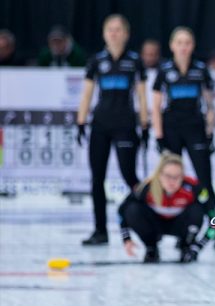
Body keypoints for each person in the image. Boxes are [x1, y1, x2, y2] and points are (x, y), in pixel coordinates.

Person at [77, 14, 148, 245]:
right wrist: (80, 122)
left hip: (126, 126)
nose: (114, 33)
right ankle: (100, 231)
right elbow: (87, 93)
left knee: (130, 176)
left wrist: (144, 124)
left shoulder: (135, 61)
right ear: (104, 34)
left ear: (126, 34)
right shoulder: (96, 61)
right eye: (110, 29)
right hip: (100, 125)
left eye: (119, 29)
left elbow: (142, 95)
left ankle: (148, 223)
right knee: (97, 178)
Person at [152, 27, 215, 218]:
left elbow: (210, 105)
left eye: (187, 43)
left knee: (204, 179)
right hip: (171, 129)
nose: (183, 47)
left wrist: (209, 134)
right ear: (172, 45)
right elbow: (155, 107)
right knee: (172, 179)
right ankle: (177, 222)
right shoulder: (164, 70)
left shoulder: (201, 70)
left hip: (195, 128)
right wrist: (158, 137)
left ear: (192, 46)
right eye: (179, 43)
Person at [119, 152, 210, 263]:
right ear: (159, 175)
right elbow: (122, 210)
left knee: (197, 210)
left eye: (177, 177)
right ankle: (151, 247)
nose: (172, 181)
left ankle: (186, 247)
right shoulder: (146, 187)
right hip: (155, 226)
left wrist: (197, 247)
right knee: (133, 209)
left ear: (183, 176)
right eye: (168, 176)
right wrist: (126, 238)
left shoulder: (194, 187)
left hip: (181, 226)